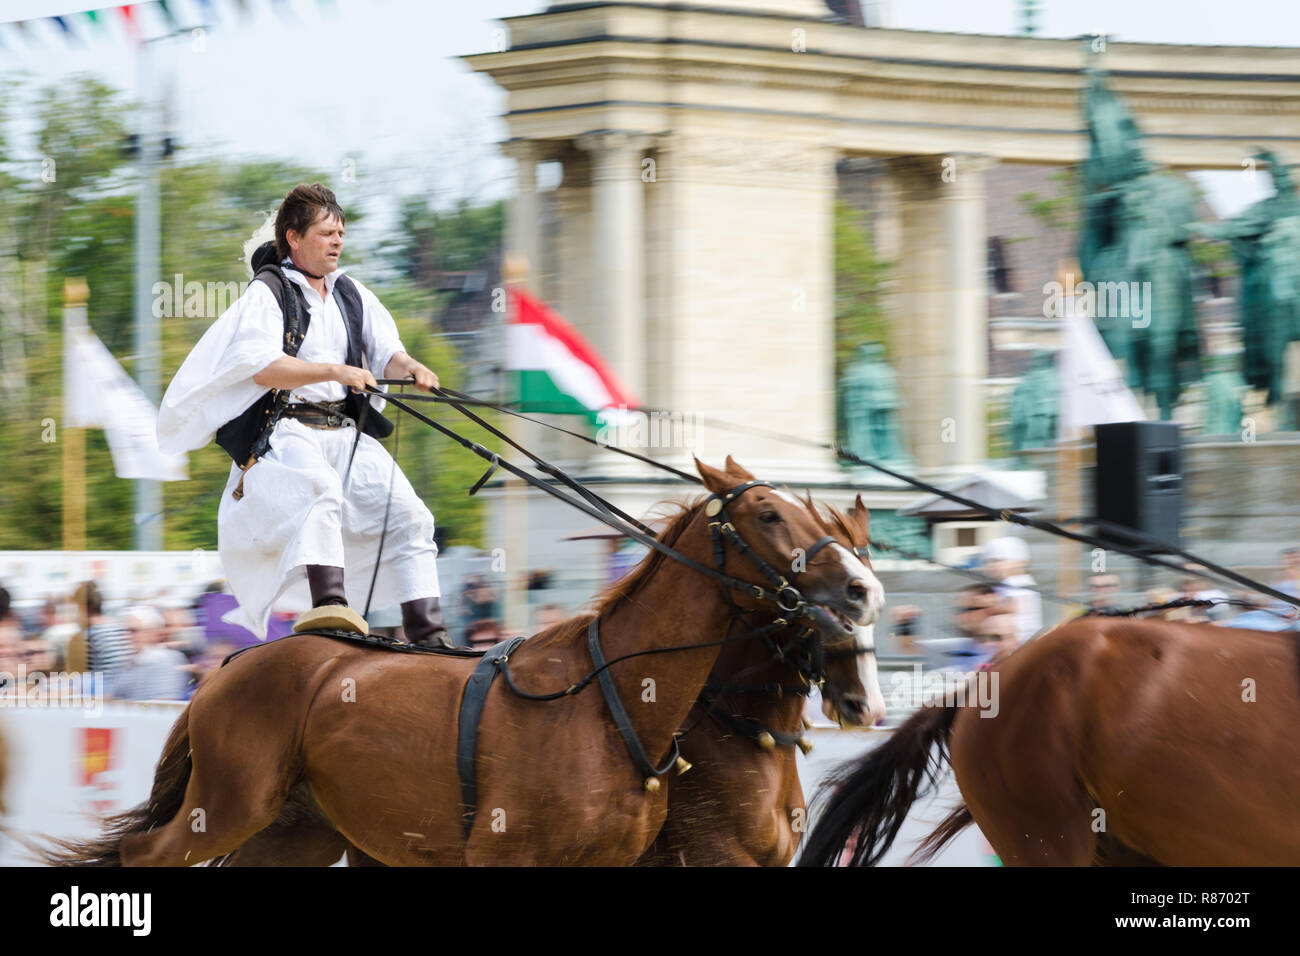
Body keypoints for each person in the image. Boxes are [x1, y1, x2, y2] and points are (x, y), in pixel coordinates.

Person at [158, 183, 448, 646]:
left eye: (341, 233)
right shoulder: (269, 293)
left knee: (412, 515)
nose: (337, 242)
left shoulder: (353, 293)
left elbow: (386, 352)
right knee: (320, 489)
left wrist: (411, 368)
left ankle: (429, 635)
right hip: (289, 430)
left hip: (347, 432)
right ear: (293, 238)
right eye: (327, 233)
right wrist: (334, 369)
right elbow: (262, 368)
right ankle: (331, 609)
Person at [981, 537, 1042, 645]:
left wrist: (991, 605)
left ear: (1020, 562)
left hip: (1021, 642)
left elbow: (1015, 609)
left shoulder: (1021, 584)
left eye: (999, 561)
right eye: (989, 562)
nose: (992, 566)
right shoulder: (1003, 585)